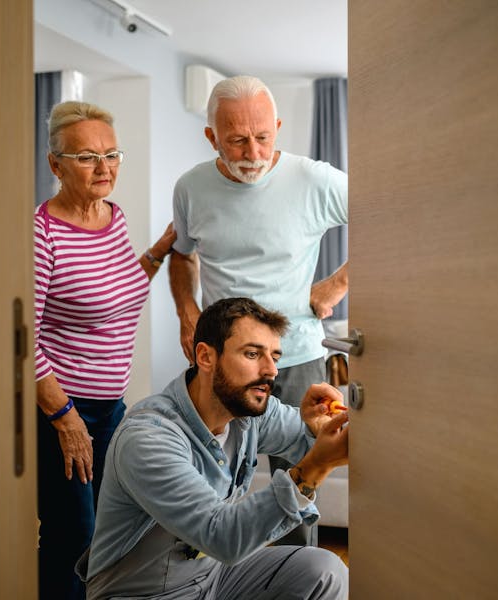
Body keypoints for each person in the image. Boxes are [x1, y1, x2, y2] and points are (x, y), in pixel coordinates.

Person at [169, 75, 348, 546]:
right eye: (237, 140)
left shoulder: (314, 179)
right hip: (220, 365)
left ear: (279, 127)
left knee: (298, 483)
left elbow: (391, 216)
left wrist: (337, 284)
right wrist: (186, 308)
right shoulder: (191, 187)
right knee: (213, 489)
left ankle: (297, 579)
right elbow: (183, 254)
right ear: (211, 137)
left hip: (294, 358)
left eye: (263, 137)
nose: (253, 152)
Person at [79, 297, 349, 599]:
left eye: (274, 356)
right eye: (252, 354)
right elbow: (221, 536)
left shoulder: (250, 412)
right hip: (146, 592)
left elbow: (315, 440)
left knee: (323, 570)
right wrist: (314, 468)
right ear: (205, 357)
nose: (271, 370)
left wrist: (321, 430)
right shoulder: (147, 439)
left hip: (215, 577)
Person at [35, 100, 176, 600]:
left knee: (107, 533)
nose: (104, 168)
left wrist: (159, 250)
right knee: (72, 536)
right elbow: (16, 339)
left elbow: (123, 289)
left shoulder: (113, 217)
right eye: (88, 157)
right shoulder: (41, 233)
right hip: (62, 411)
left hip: (110, 407)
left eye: (112, 154)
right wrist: (65, 416)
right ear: (55, 164)